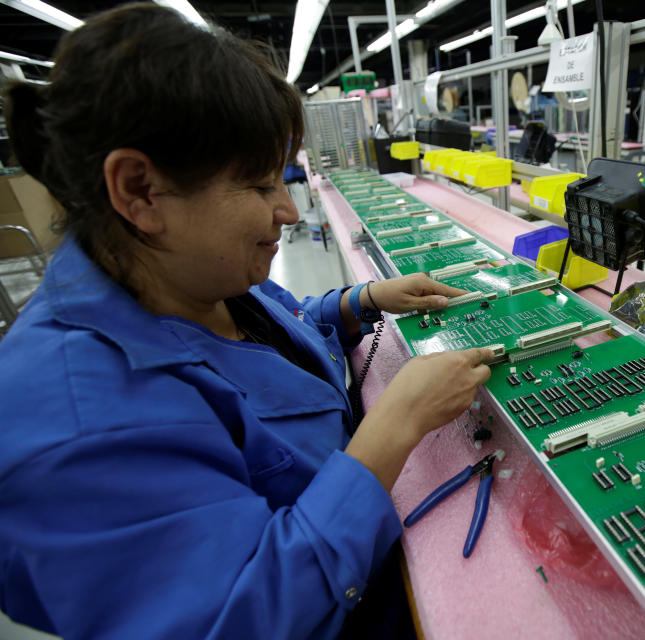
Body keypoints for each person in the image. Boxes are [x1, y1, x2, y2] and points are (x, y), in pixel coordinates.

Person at [0, 5, 491, 639]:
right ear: (139, 191)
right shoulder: (72, 431)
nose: (288, 211)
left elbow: (262, 347)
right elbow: (237, 618)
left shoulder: (192, 280)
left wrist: (358, 303)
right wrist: (394, 427)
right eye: (260, 188)